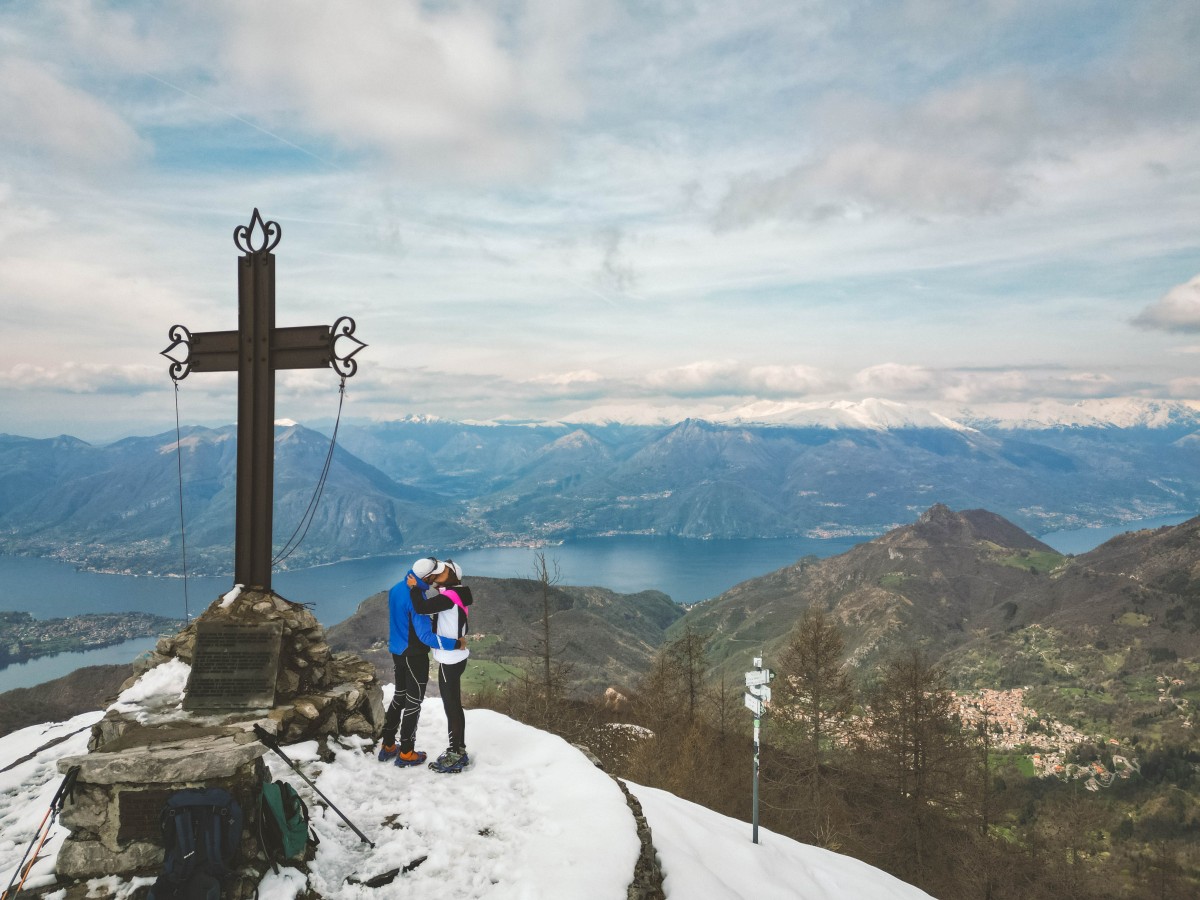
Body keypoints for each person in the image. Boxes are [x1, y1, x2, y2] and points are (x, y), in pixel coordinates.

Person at [377, 557, 466, 767]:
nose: (435, 578)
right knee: (413, 702)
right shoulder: (415, 599)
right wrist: (455, 644)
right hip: (414, 655)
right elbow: (426, 637)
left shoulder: (396, 589)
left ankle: (388, 744)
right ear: (425, 577)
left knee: (399, 697)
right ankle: (407, 752)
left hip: (397, 651)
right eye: (433, 574)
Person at [424, 559, 472, 773]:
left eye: (442, 572)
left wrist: (416, 588)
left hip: (449, 659)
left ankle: (456, 753)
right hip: (458, 657)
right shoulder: (459, 593)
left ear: (452, 576)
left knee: (451, 706)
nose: (437, 574)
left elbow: (421, 607)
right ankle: (458, 749)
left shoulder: (448, 597)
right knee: (454, 705)